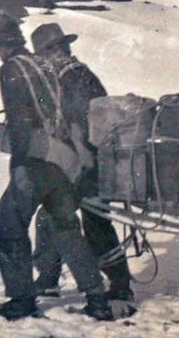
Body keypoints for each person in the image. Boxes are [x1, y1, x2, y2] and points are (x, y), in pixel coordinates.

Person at [0, 13, 114, 322]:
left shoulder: (11, 69)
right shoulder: (44, 65)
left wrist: (19, 164)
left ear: (3, 41)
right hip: (63, 160)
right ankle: (96, 298)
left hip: (35, 159)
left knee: (9, 223)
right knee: (64, 227)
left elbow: (20, 121)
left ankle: (22, 300)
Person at [29, 22, 135, 311]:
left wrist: (84, 162)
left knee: (79, 218)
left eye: (46, 55)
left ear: (56, 51)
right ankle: (115, 285)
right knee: (88, 220)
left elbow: (80, 124)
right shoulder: (76, 74)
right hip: (95, 158)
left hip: (89, 161)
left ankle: (113, 286)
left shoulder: (72, 77)